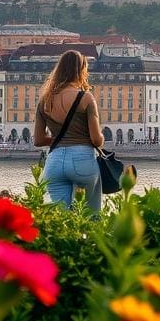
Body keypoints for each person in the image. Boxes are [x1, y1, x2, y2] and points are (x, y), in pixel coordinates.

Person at [34, 50, 104, 211]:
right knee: (89, 216)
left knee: (63, 220)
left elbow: (38, 140)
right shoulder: (86, 98)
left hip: (54, 163)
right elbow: (96, 140)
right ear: (82, 70)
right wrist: (97, 138)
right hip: (82, 161)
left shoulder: (45, 100)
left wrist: (61, 139)